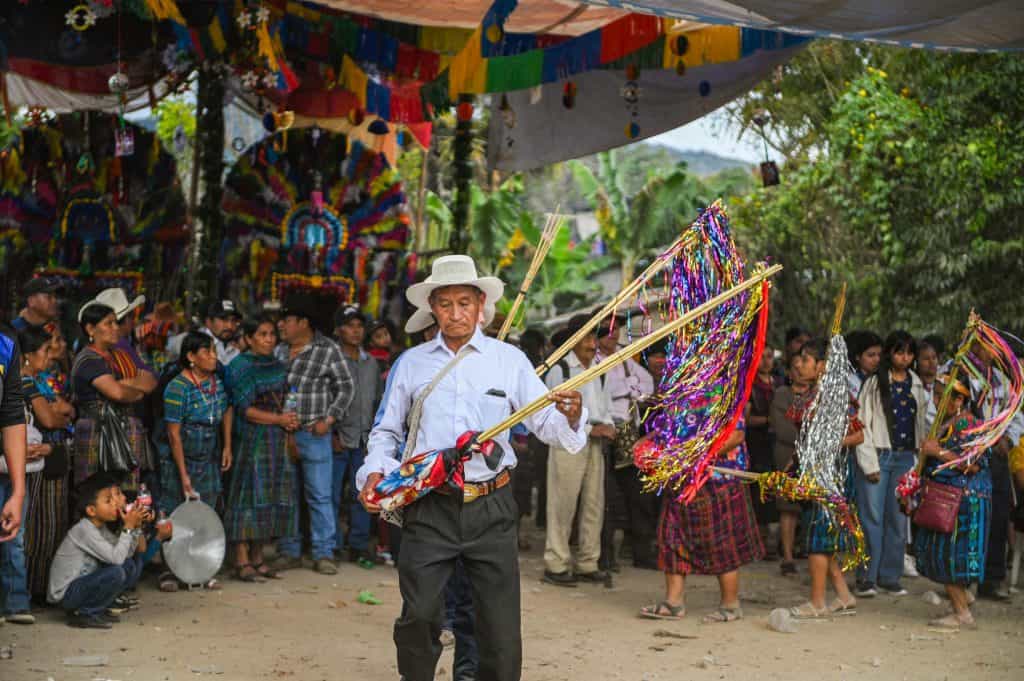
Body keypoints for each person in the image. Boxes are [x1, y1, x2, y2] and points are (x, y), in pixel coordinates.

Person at [357, 255, 587, 681]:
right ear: (433, 308)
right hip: (429, 504)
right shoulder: (411, 364)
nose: (456, 313)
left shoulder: (509, 360)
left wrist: (572, 416)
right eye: (446, 304)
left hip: (491, 505)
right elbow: (385, 432)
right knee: (420, 615)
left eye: (465, 302)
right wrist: (375, 471)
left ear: (481, 305)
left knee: (498, 627)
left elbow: (546, 425)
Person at [639, 417, 764, 622]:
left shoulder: (726, 391)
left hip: (717, 479)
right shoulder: (681, 394)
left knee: (721, 542)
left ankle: (730, 605)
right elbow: (665, 430)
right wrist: (648, 446)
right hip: (679, 479)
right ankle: (673, 603)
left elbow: (735, 435)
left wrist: (693, 457)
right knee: (671, 538)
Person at [272, 297, 355, 576]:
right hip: (283, 433)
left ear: (303, 323)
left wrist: (329, 419)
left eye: (288, 320)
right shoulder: (279, 351)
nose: (281, 325)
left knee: (320, 496)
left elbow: (346, 387)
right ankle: (289, 550)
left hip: (314, 434)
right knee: (287, 495)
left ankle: (323, 552)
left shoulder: (328, 350)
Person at [784, 339, 865, 619]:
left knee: (819, 537)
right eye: (798, 359)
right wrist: (795, 462)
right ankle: (843, 596)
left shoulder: (834, 397)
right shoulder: (810, 397)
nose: (798, 364)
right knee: (822, 537)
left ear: (821, 366)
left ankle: (817, 602)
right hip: (813, 472)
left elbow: (859, 435)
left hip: (831, 477)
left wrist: (831, 443)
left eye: (806, 360)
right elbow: (804, 439)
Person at [542, 314, 616, 586]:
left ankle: (588, 561)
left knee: (593, 504)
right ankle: (556, 563)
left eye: (594, 337)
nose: (592, 343)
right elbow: (551, 415)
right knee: (563, 504)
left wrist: (608, 426)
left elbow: (603, 408)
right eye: (586, 337)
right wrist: (588, 429)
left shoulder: (599, 369)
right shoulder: (560, 370)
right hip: (566, 444)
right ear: (573, 340)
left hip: (595, 443)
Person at [854, 330, 929, 597]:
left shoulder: (917, 384)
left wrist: (917, 464)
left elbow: (921, 425)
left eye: (909, 352)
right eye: (899, 352)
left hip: (905, 458)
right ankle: (866, 577)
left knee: (898, 518)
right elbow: (862, 423)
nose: (905, 357)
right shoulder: (874, 383)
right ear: (890, 353)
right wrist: (869, 463)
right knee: (870, 517)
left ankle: (889, 576)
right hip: (878, 454)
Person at [224, 317, 299, 582]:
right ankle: (241, 560)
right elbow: (245, 409)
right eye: (262, 334)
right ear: (248, 338)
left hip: (276, 439)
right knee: (247, 498)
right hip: (252, 439)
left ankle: (258, 557)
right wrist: (279, 420)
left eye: (271, 334)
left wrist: (288, 421)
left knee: (271, 497)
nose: (269, 339)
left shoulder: (278, 366)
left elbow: (288, 397)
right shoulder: (240, 367)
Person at [914, 376, 990, 630]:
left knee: (950, 556)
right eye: (934, 395)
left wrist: (938, 452)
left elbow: (973, 464)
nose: (936, 401)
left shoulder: (967, 423)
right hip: (948, 496)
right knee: (945, 553)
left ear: (959, 399)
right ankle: (962, 603)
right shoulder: (949, 422)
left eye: (941, 395)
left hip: (962, 501)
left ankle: (962, 613)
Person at [47, 474, 171, 629]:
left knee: (128, 566)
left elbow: (127, 554)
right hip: (67, 595)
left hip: (80, 586)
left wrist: (137, 526)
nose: (114, 504)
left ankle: (98, 608)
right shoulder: (84, 530)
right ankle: (85, 613)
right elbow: (116, 559)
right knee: (116, 572)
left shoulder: (101, 528)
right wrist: (128, 528)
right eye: (108, 501)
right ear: (92, 510)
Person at [18, 327, 74, 608]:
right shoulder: (26, 382)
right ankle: (34, 590)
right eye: (44, 350)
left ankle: (38, 588)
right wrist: (58, 416)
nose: (49, 355)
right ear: (27, 355)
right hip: (37, 459)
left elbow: (67, 410)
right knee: (41, 527)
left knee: (48, 525)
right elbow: (52, 419)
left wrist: (58, 414)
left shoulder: (42, 379)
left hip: (52, 455)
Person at [596, 316, 656, 571]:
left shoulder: (625, 357)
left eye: (616, 330)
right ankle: (604, 556)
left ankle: (642, 552)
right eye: (607, 330)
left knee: (638, 493)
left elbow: (648, 386)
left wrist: (632, 391)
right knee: (604, 496)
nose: (613, 334)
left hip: (628, 430)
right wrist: (627, 389)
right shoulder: (593, 359)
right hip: (602, 430)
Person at [71, 304, 151, 491]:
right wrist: (135, 390)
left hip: (123, 430)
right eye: (109, 323)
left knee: (126, 493)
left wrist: (127, 387)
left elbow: (149, 381)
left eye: (116, 322)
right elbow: (117, 393)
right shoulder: (88, 359)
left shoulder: (118, 356)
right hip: (97, 434)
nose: (116, 327)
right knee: (97, 492)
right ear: (90, 329)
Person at [331, 305, 382, 565]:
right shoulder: (332, 359)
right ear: (339, 329)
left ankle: (359, 544)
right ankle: (334, 544)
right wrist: (331, 433)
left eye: (359, 326)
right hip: (338, 437)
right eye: (350, 325)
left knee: (363, 492)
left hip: (364, 439)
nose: (355, 330)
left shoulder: (370, 362)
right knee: (331, 494)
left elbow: (376, 402)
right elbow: (326, 399)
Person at [161, 331, 233, 511]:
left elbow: (227, 408)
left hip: (209, 460)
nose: (214, 356)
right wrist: (184, 476)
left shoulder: (217, 380)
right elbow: (173, 435)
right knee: (181, 518)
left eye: (214, 350)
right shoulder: (177, 388)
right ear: (191, 356)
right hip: (183, 462)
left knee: (207, 516)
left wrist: (227, 446)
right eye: (207, 352)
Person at [770, 352, 806, 575]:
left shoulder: (816, 394)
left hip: (809, 455)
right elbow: (782, 428)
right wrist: (807, 440)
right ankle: (788, 556)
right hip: (786, 453)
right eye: (796, 366)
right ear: (789, 372)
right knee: (787, 507)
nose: (800, 370)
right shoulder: (782, 395)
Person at [746, 344, 779, 557]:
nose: (766, 361)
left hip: (774, 445)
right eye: (762, 357)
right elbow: (746, 419)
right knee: (758, 494)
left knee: (772, 493)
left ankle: (771, 543)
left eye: (769, 357)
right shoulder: (750, 386)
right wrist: (770, 420)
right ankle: (757, 543)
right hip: (756, 445)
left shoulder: (778, 384)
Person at [167, 300, 244, 366]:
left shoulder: (236, 348)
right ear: (209, 322)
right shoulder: (188, 340)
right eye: (224, 319)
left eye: (233, 320)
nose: (230, 326)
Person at [846, 330, 883, 398]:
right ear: (857, 356)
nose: (877, 359)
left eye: (880, 355)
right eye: (871, 355)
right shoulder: (849, 382)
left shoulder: (884, 379)